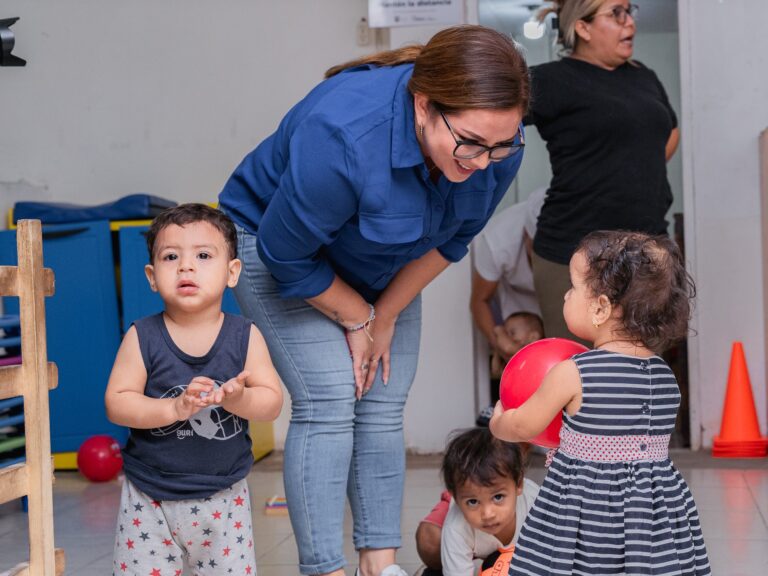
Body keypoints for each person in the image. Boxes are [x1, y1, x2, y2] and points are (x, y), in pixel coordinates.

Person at [217, 24, 530, 576]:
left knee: (383, 399)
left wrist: (383, 314)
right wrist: (359, 316)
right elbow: (286, 253)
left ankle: (377, 564)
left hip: (383, 265)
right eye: (472, 144)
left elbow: (451, 242)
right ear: (423, 106)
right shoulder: (342, 133)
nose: (485, 162)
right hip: (273, 244)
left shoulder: (498, 146)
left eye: (500, 145)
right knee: (331, 396)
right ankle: (324, 568)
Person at [489, 230, 711, 575]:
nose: (565, 295)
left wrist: (499, 419)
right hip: (651, 511)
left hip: (587, 508)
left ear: (600, 308)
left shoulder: (574, 373)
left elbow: (523, 426)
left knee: (579, 564)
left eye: (573, 287)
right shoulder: (666, 377)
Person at [104, 203, 283, 575]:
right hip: (148, 498)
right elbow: (117, 403)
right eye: (171, 257)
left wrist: (239, 399)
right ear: (152, 277)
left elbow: (271, 402)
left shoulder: (245, 336)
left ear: (232, 272)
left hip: (223, 496)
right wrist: (173, 410)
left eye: (203, 255)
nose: (186, 266)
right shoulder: (142, 336)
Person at [525, 0, 680, 341]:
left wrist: (635, 166)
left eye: (630, 11)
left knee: (641, 373)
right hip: (571, 254)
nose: (631, 24)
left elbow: (670, 129)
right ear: (583, 27)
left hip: (645, 251)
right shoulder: (550, 80)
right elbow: (492, 118)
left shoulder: (644, 76)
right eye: (616, 13)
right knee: (578, 375)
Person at [414, 428, 538, 576]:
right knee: (430, 543)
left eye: (498, 497)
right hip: (460, 523)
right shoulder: (456, 527)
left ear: (519, 485)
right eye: (473, 502)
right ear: (456, 498)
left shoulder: (536, 504)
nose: (487, 514)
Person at [470, 188, 545, 425]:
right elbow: (479, 301)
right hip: (514, 297)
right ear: (526, 237)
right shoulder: (498, 241)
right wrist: (499, 341)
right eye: (538, 253)